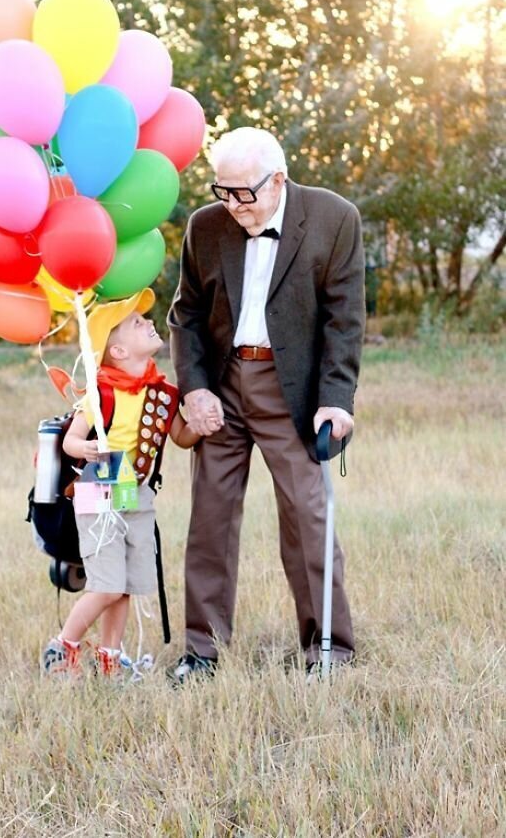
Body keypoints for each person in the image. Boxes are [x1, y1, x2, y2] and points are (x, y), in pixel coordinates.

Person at [167, 127, 365, 682]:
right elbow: (185, 314)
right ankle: (201, 653)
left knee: (308, 516)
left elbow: (344, 320)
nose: (230, 206)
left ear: (277, 180)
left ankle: (329, 649)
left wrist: (336, 400)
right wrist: (195, 388)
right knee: (209, 517)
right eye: (221, 192)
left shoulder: (334, 218)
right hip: (223, 384)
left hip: (293, 390)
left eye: (242, 194)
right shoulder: (205, 226)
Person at [42, 287, 199, 679]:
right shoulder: (100, 394)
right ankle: (64, 646)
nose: (148, 322)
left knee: (126, 583)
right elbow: (71, 440)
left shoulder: (162, 393)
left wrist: (201, 425)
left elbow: (181, 437)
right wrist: (89, 447)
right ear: (119, 352)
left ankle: (111, 657)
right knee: (107, 584)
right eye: (136, 322)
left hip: (139, 495)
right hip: (100, 494)